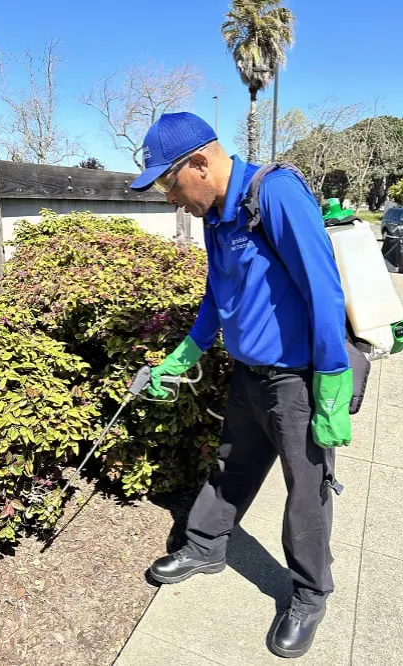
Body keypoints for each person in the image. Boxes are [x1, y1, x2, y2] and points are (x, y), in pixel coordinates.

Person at [130, 112, 352, 660]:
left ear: (199, 164)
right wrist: (185, 354)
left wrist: (332, 382)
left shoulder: (274, 193)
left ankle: (308, 593)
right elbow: (217, 295)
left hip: (299, 383)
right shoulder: (216, 217)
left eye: (168, 182)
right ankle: (205, 547)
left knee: (307, 491)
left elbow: (324, 291)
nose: (169, 198)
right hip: (248, 375)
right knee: (232, 463)